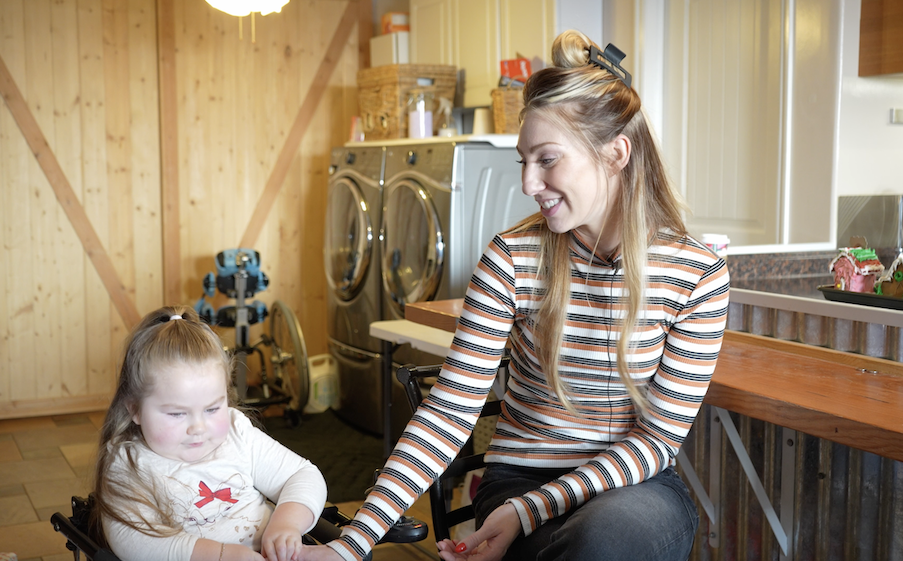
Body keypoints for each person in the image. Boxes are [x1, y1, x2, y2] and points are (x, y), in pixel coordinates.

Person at [304, 28, 730, 561]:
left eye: (547, 159)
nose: (528, 183)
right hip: (518, 479)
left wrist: (531, 511)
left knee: (602, 541)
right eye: (522, 162)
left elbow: (657, 443)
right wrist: (352, 544)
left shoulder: (697, 272)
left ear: (616, 153)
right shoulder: (512, 258)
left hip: (633, 488)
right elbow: (448, 413)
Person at [92, 305, 327, 561]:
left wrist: (286, 525)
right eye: (177, 414)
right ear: (135, 409)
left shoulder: (237, 432)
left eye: (212, 408)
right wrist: (223, 555)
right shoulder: (129, 462)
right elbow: (136, 542)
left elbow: (301, 474)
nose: (198, 428)